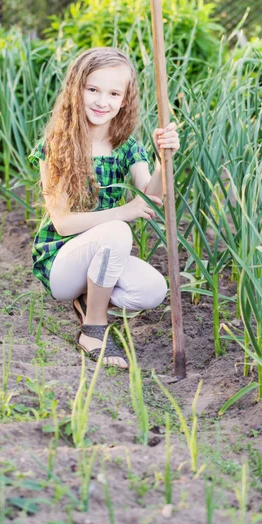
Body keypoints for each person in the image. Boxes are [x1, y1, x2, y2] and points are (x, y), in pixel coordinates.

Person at [29, 47, 179, 369]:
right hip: (60, 262)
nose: (101, 101)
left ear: (124, 100)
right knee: (116, 230)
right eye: (93, 89)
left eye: (113, 93)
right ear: (77, 89)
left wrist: (161, 159)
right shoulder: (56, 145)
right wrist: (124, 212)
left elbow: (151, 198)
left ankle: (89, 299)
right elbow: (63, 222)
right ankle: (93, 329)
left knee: (152, 290)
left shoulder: (125, 146)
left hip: (104, 252)